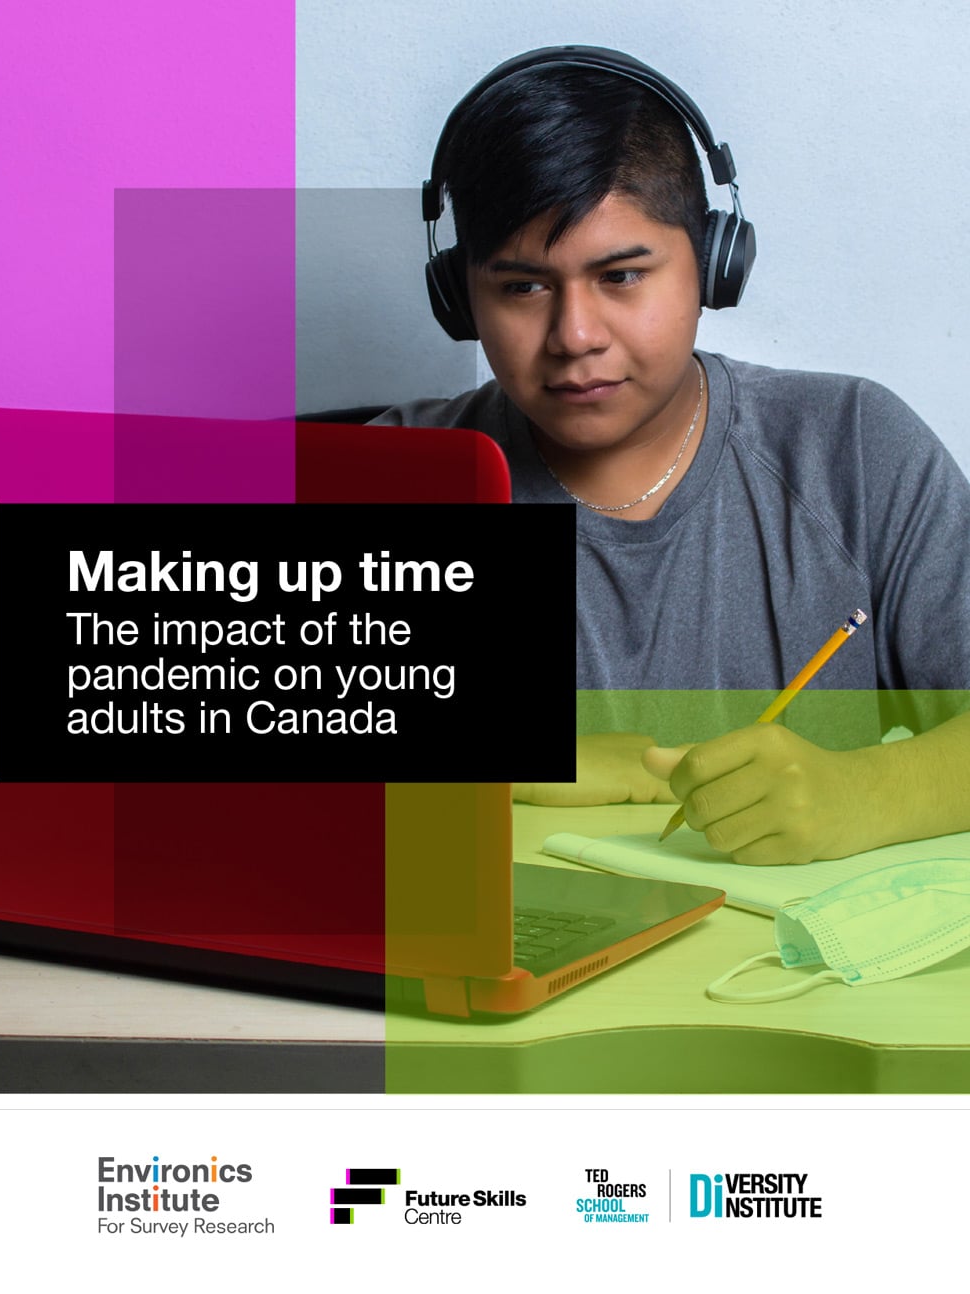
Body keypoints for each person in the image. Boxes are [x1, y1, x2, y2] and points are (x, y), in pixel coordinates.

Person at [372, 46, 970, 865]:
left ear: (713, 266)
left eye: (621, 276)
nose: (575, 336)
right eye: (522, 288)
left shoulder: (854, 449)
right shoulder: (395, 478)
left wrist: (864, 793)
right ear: (459, 298)